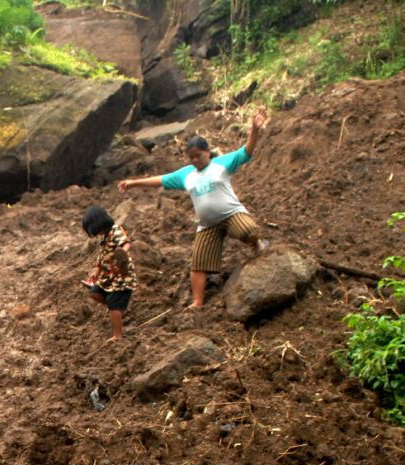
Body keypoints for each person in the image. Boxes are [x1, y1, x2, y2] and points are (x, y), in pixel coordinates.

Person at [118, 108, 270, 309]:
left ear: (207, 152)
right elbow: (161, 180)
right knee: (198, 263)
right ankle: (198, 301)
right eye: (191, 157)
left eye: (198, 156)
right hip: (208, 225)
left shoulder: (221, 164)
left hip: (232, 214)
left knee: (248, 230)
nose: (195, 160)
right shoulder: (186, 174)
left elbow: (246, 151)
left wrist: (254, 129)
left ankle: (257, 244)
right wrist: (134, 183)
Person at [79, 205, 136, 341]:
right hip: (108, 277)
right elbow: (102, 257)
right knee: (94, 293)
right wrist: (96, 271)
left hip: (121, 276)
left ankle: (118, 335)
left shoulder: (116, 230)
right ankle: (118, 309)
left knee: (114, 304)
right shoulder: (104, 237)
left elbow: (126, 243)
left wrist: (123, 252)